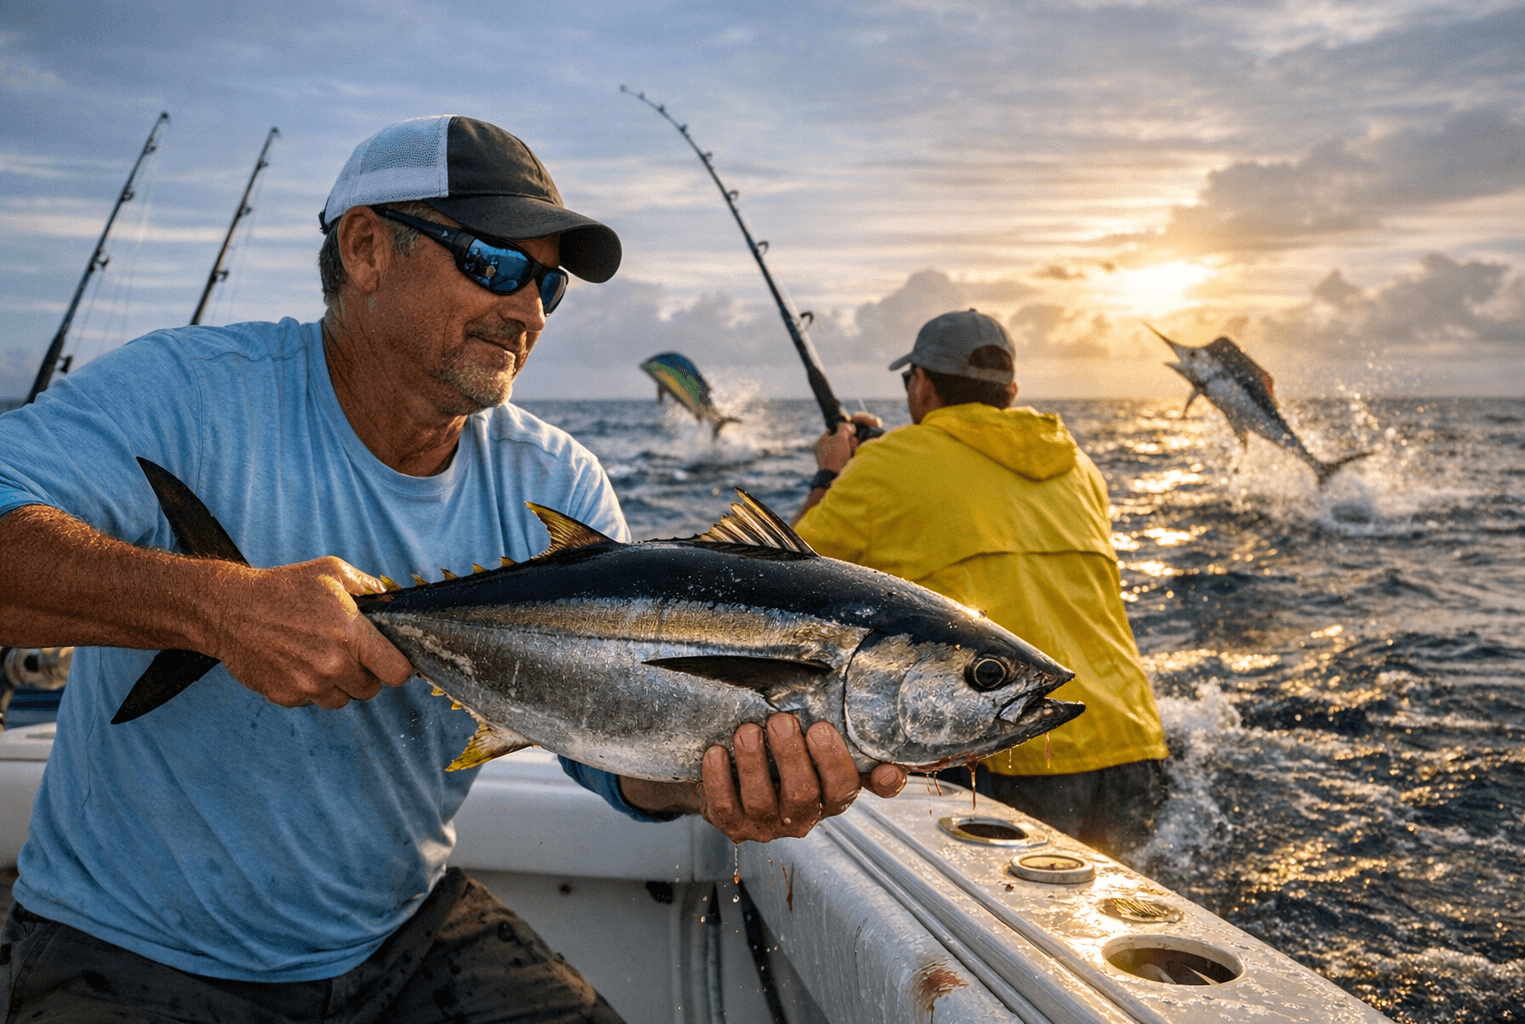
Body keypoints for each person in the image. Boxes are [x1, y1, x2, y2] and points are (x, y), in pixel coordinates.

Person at [0, 115, 904, 1022]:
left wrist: (716, 776)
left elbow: (608, 757)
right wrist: (218, 606)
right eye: (497, 265)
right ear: (366, 250)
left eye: (550, 283)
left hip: (396, 935)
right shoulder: (185, 392)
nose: (531, 311)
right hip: (122, 948)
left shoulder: (557, 481)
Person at [793, 309, 1168, 858]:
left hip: (1012, 746)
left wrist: (832, 474)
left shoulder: (884, 467)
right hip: (1134, 743)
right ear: (1010, 390)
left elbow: (785, 576)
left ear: (920, 383)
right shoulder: (1080, 467)